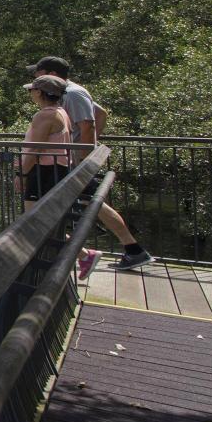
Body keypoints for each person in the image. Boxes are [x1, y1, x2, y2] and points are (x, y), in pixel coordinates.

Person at [32, 56, 157, 271]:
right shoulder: (69, 92)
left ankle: (116, 252)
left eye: (38, 73)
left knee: (82, 205)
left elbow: (88, 124)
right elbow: (100, 113)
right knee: (93, 204)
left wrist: (84, 156)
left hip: (74, 162)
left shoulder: (73, 93)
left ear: (51, 74)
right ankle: (131, 249)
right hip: (71, 160)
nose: (34, 77)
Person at [16, 75, 74, 208]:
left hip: (44, 171)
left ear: (38, 92)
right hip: (57, 169)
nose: (30, 93)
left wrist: (22, 174)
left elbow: (36, 148)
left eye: (31, 90)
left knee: (33, 216)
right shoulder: (61, 112)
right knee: (49, 214)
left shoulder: (45, 115)